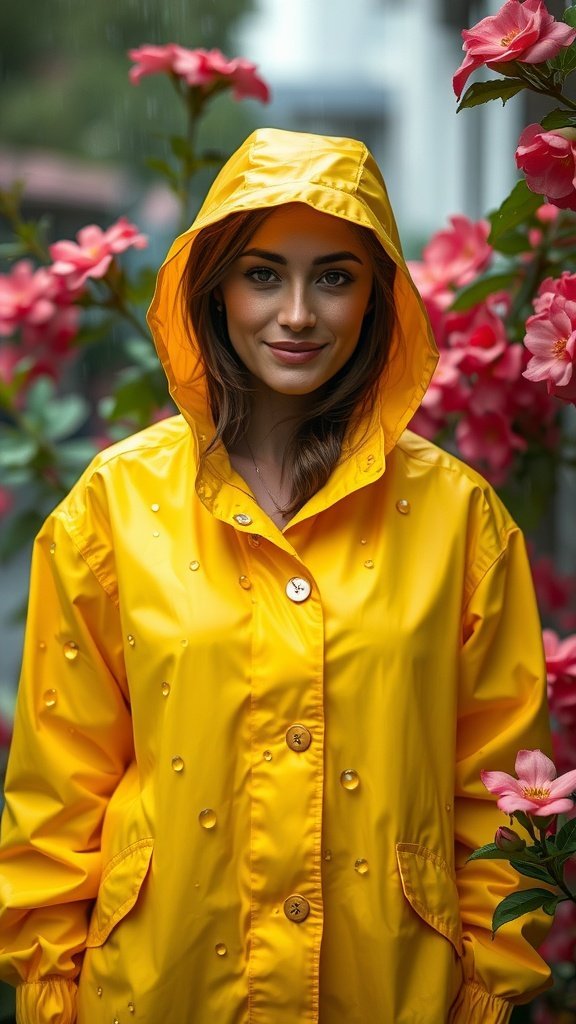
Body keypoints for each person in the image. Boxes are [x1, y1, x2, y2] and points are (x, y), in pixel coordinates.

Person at [0, 128, 553, 1024]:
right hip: (160, 987)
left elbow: (493, 793)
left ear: (377, 298)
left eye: (334, 276)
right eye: (263, 274)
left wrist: (487, 992)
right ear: (214, 288)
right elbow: (58, 795)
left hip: (392, 993)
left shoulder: (460, 521)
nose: (297, 313)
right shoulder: (112, 507)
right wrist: (50, 993)